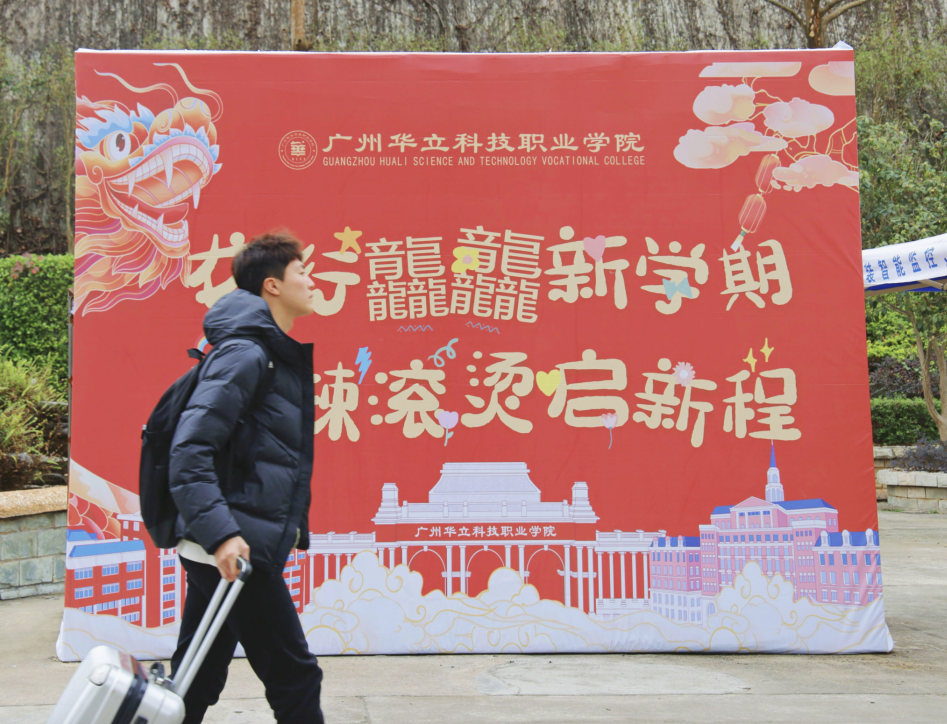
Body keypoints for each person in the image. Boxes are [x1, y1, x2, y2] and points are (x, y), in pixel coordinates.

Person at [167, 231, 323, 724]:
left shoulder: (266, 352)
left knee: (195, 678)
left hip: (225, 544)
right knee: (295, 677)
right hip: (233, 546)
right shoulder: (247, 355)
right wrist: (223, 535)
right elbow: (189, 450)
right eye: (302, 272)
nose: (312, 282)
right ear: (273, 285)